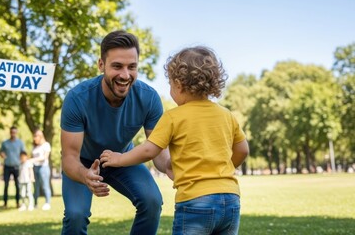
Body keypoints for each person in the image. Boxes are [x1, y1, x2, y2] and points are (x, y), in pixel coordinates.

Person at [100, 46, 250, 235]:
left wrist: (119, 159)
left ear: (179, 84)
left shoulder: (173, 117)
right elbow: (243, 150)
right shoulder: (226, 115)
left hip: (196, 200)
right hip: (231, 199)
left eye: (170, 84)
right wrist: (221, 170)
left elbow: (149, 150)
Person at [60, 30, 171, 235]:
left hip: (123, 157)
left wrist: (173, 167)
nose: (125, 75)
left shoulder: (149, 98)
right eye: (117, 66)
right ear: (101, 65)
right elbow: (69, 157)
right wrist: (86, 176)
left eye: (132, 67)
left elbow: (159, 151)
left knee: (152, 201)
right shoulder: (77, 98)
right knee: (76, 216)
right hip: (82, 162)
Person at [0, 126, 25, 209]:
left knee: (17, 185)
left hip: (16, 167)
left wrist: (22, 161)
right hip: (7, 166)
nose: (13, 134)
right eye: (12, 132)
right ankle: (5, 203)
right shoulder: (5, 143)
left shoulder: (20, 143)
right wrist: (2, 154)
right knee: (6, 185)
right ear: (10, 133)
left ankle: (18, 203)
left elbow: (23, 153)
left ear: (16, 133)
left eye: (14, 132)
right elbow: (0, 151)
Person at [31, 129, 52, 210]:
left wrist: (33, 160)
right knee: (35, 186)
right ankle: (35, 204)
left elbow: (44, 157)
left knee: (45, 185)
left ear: (40, 137)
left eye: (36, 136)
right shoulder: (34, 146)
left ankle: (47, 203)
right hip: (35, 167)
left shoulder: (46, 145)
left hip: (43, 167)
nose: (34, 138)